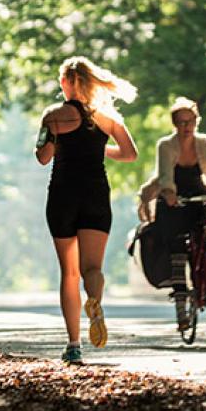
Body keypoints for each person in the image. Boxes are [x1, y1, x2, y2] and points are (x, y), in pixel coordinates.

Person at [35, 56, 138, 364]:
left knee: (69, 273)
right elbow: (130, 154)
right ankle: (94, 300)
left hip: (63, 197)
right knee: (91, 269)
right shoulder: (106, 117)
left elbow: (43, 157)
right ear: (91, 83)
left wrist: (53, 137)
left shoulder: (54, 115)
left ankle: (74, 344)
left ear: (65, 83)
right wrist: (98, 147)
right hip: (95, 195)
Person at [137, 97, 206, 330]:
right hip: (173, 197)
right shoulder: (166, 145)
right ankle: (181, 309)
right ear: (174, 124)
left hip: (198, 193)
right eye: (181, 122)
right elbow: (165, 175)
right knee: (177, 251)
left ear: (197, 121)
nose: (186, 127)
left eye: (190, 121)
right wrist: (170, 194)